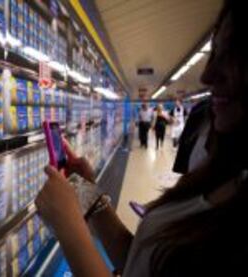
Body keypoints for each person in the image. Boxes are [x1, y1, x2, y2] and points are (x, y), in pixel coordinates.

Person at [35, 1, 248, 276]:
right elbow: (140, 260)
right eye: (214, 51)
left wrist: (68, 227)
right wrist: (87, 192)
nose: (207, 75)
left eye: (231, 53)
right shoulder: (222, 174)